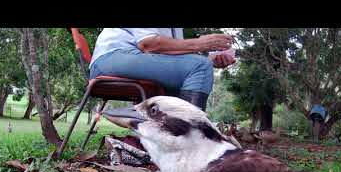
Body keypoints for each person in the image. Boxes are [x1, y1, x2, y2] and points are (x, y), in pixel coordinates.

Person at [89, 28, 236, 111]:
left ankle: (169, 141)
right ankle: (188, 145)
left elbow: (173, 55)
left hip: (132, 59)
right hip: (111, 59)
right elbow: (148, 45)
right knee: (200, 66)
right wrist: (201, 44)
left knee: (200, 66)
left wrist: (210, 60)